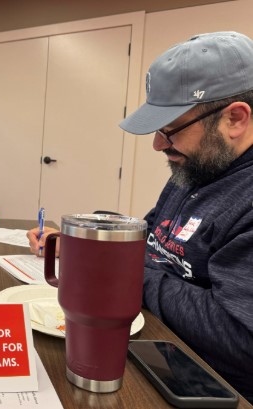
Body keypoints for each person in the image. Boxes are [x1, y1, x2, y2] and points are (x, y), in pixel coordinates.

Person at [27, 31, 253, 401]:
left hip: (203, 386)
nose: (158, 144)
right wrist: (90, 242)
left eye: (171, 129)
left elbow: (240, 337)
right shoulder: (198, 169)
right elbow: (154, 240)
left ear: (235, 119)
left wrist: (125, 273)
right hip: (146, 345)